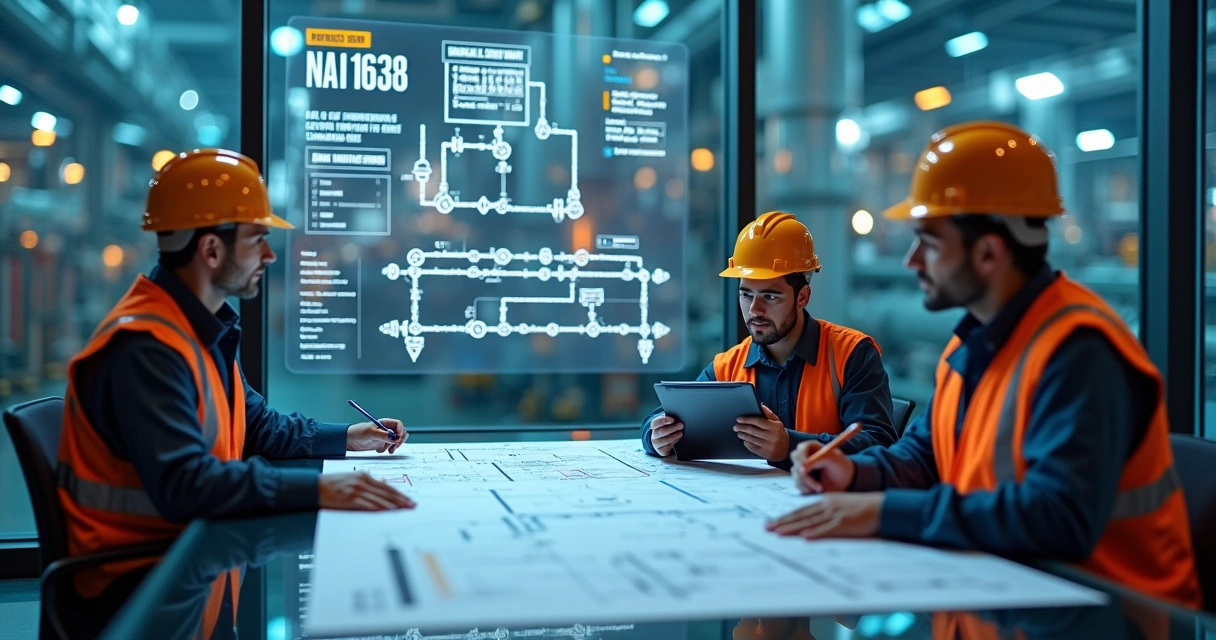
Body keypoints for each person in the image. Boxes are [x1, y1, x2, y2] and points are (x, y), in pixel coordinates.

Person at [765, 122, 1201, 608]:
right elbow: (925, 456)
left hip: (1117, 614)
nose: (911, 261)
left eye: (929, 242)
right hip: (1011, 591)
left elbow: (1058, 517)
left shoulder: (1079, 349)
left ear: (989, 252)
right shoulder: (973, 341)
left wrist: (883, 512)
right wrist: (852, 472)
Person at [57, 149, 415, 611]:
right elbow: (187, 484)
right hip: (137, 594)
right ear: (211, 250)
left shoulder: (197, 330)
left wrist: (348, 437)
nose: (269, 255)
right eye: (257, 240)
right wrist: (318, 490)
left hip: (188, 566)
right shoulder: (145, 348)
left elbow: (259, 427)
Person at [641, 211, 897, 467]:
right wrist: (656, 437)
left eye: (770, 296)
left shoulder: (851, 354)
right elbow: (663, 417)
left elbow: (878, 444)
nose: (754, 310)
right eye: (746, 295)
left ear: (803, 297)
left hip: (824, 493)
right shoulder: (728, 366)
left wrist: (790, 446)